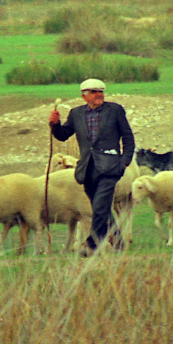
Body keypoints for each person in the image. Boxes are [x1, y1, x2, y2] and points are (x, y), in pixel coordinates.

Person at [48, 78, 135, 256]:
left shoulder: (115, 110)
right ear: (84, 95)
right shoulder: (76, 114)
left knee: (101, 205)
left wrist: (124, 160)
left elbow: (127, 136)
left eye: (101, 91)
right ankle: (118, 242)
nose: (99, 95)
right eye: (94, 92)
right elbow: (63, 136)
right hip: (87, 169)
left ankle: (92, 244)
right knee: (99, 207)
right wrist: (55, 124)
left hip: (111, 167)